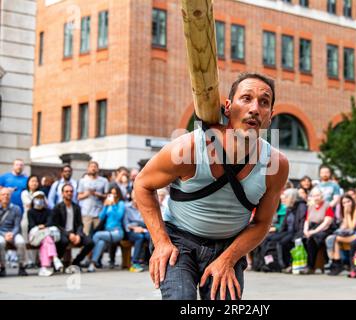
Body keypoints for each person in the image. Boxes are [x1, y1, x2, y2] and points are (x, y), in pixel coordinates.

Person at [134, 73, 289, 300]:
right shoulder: (189, 148)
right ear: (228, 107)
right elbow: (142, 185)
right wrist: (161, 243)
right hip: (178, 239)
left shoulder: (276, 164)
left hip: (230, 245)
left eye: (264, 102)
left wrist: (228, 259)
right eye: (246, 98)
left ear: (270, 116)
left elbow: (262, 223)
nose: (255, 108)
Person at [52, 183, 94, 272]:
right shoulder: (57, 207)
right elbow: (56, 225)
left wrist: (78, 235)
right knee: (64, 241)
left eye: (71, 191)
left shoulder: (76, 207)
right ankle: (57, 263)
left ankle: (75, 262)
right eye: (66, 191)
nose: (69, 193)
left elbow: (80, 224)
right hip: (63, 233)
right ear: (62, 193)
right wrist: (68, 234)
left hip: (75, 234)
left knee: (90, 242)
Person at [88, 186, 125, 272]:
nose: (113, 195)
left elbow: (119, 217)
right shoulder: (108, 204)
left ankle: (89, 256)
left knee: (97, 235)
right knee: (100, 242)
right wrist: (105, 206)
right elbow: (101, 217)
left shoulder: (121, 204)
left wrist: (113, 205)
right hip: (107, 231)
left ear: (118, 194)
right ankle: (92, 264)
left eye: (115, 193)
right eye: (111, 193)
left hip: (117, 231)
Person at [27, 191, 63, 276]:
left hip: (46, 235)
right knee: (47, 238)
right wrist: (41, 227)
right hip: (35, 236)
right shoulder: (30, 212)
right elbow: (32, 225)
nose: (39, 200)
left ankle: (44, 267)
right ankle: (55, 258)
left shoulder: (48, 211)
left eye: (41, 198)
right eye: (37, 198)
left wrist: (43, 226)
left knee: (46, 240)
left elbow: (50, 222)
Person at [301, 188, 334, 275]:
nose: (316, 197)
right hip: (312, 228)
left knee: (312, 240)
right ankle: (303, 264)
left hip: (324, 229)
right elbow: (307, 220)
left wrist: (313, 232)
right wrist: (306, 230)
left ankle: (310, 266)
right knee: (302, 239)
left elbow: (327, 223)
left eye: (318, 195)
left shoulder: (327, 205)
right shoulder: (311, 206)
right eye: (314, 195)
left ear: (322, 196)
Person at [327, 195, 356, 275]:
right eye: (344, 203)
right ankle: (336, 262)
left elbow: (351, 227)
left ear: (352, 201)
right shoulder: (345, 211)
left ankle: (337, 263)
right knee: (332, 238)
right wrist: (346, 215)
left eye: (348, 202)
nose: (346, 204)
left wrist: (348, 214)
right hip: (351, 233)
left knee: (335, 239)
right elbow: (344, 227)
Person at [0, 188, 28, 276]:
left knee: (21, 242)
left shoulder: (16, 209)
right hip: (1, 233)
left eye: (7, 194)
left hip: (13, 232)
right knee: (0, 242)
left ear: (10, 196)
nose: (5, 196)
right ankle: (2, 267)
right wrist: (4, 235)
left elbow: (17, 225)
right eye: (3, 194)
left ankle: (22, 266)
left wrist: (12, 234)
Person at [77, 161, 109, 236]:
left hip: (99, 212)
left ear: (98, 169)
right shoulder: (82, 181)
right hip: (86, 212)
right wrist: (88, 193)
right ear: (88, 168)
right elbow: (79, 197)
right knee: (86, 235)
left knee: (98, 235)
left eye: (95, 167)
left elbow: (107, 196)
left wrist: (97, 194)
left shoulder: (104, 181)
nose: (93, 168)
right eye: (91, 167)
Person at [124, 191, 151, 272]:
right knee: (139, 237)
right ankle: (134, 263)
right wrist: (135, 228)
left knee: (150, 236)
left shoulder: (144, 206)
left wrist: (142, 228)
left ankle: (151, 260)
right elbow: (126, 224)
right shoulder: (126, 207)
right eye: (135, 198)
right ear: (132, 198)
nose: (136, 200)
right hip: (131, 230)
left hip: (144, 228)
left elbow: (148, 221)